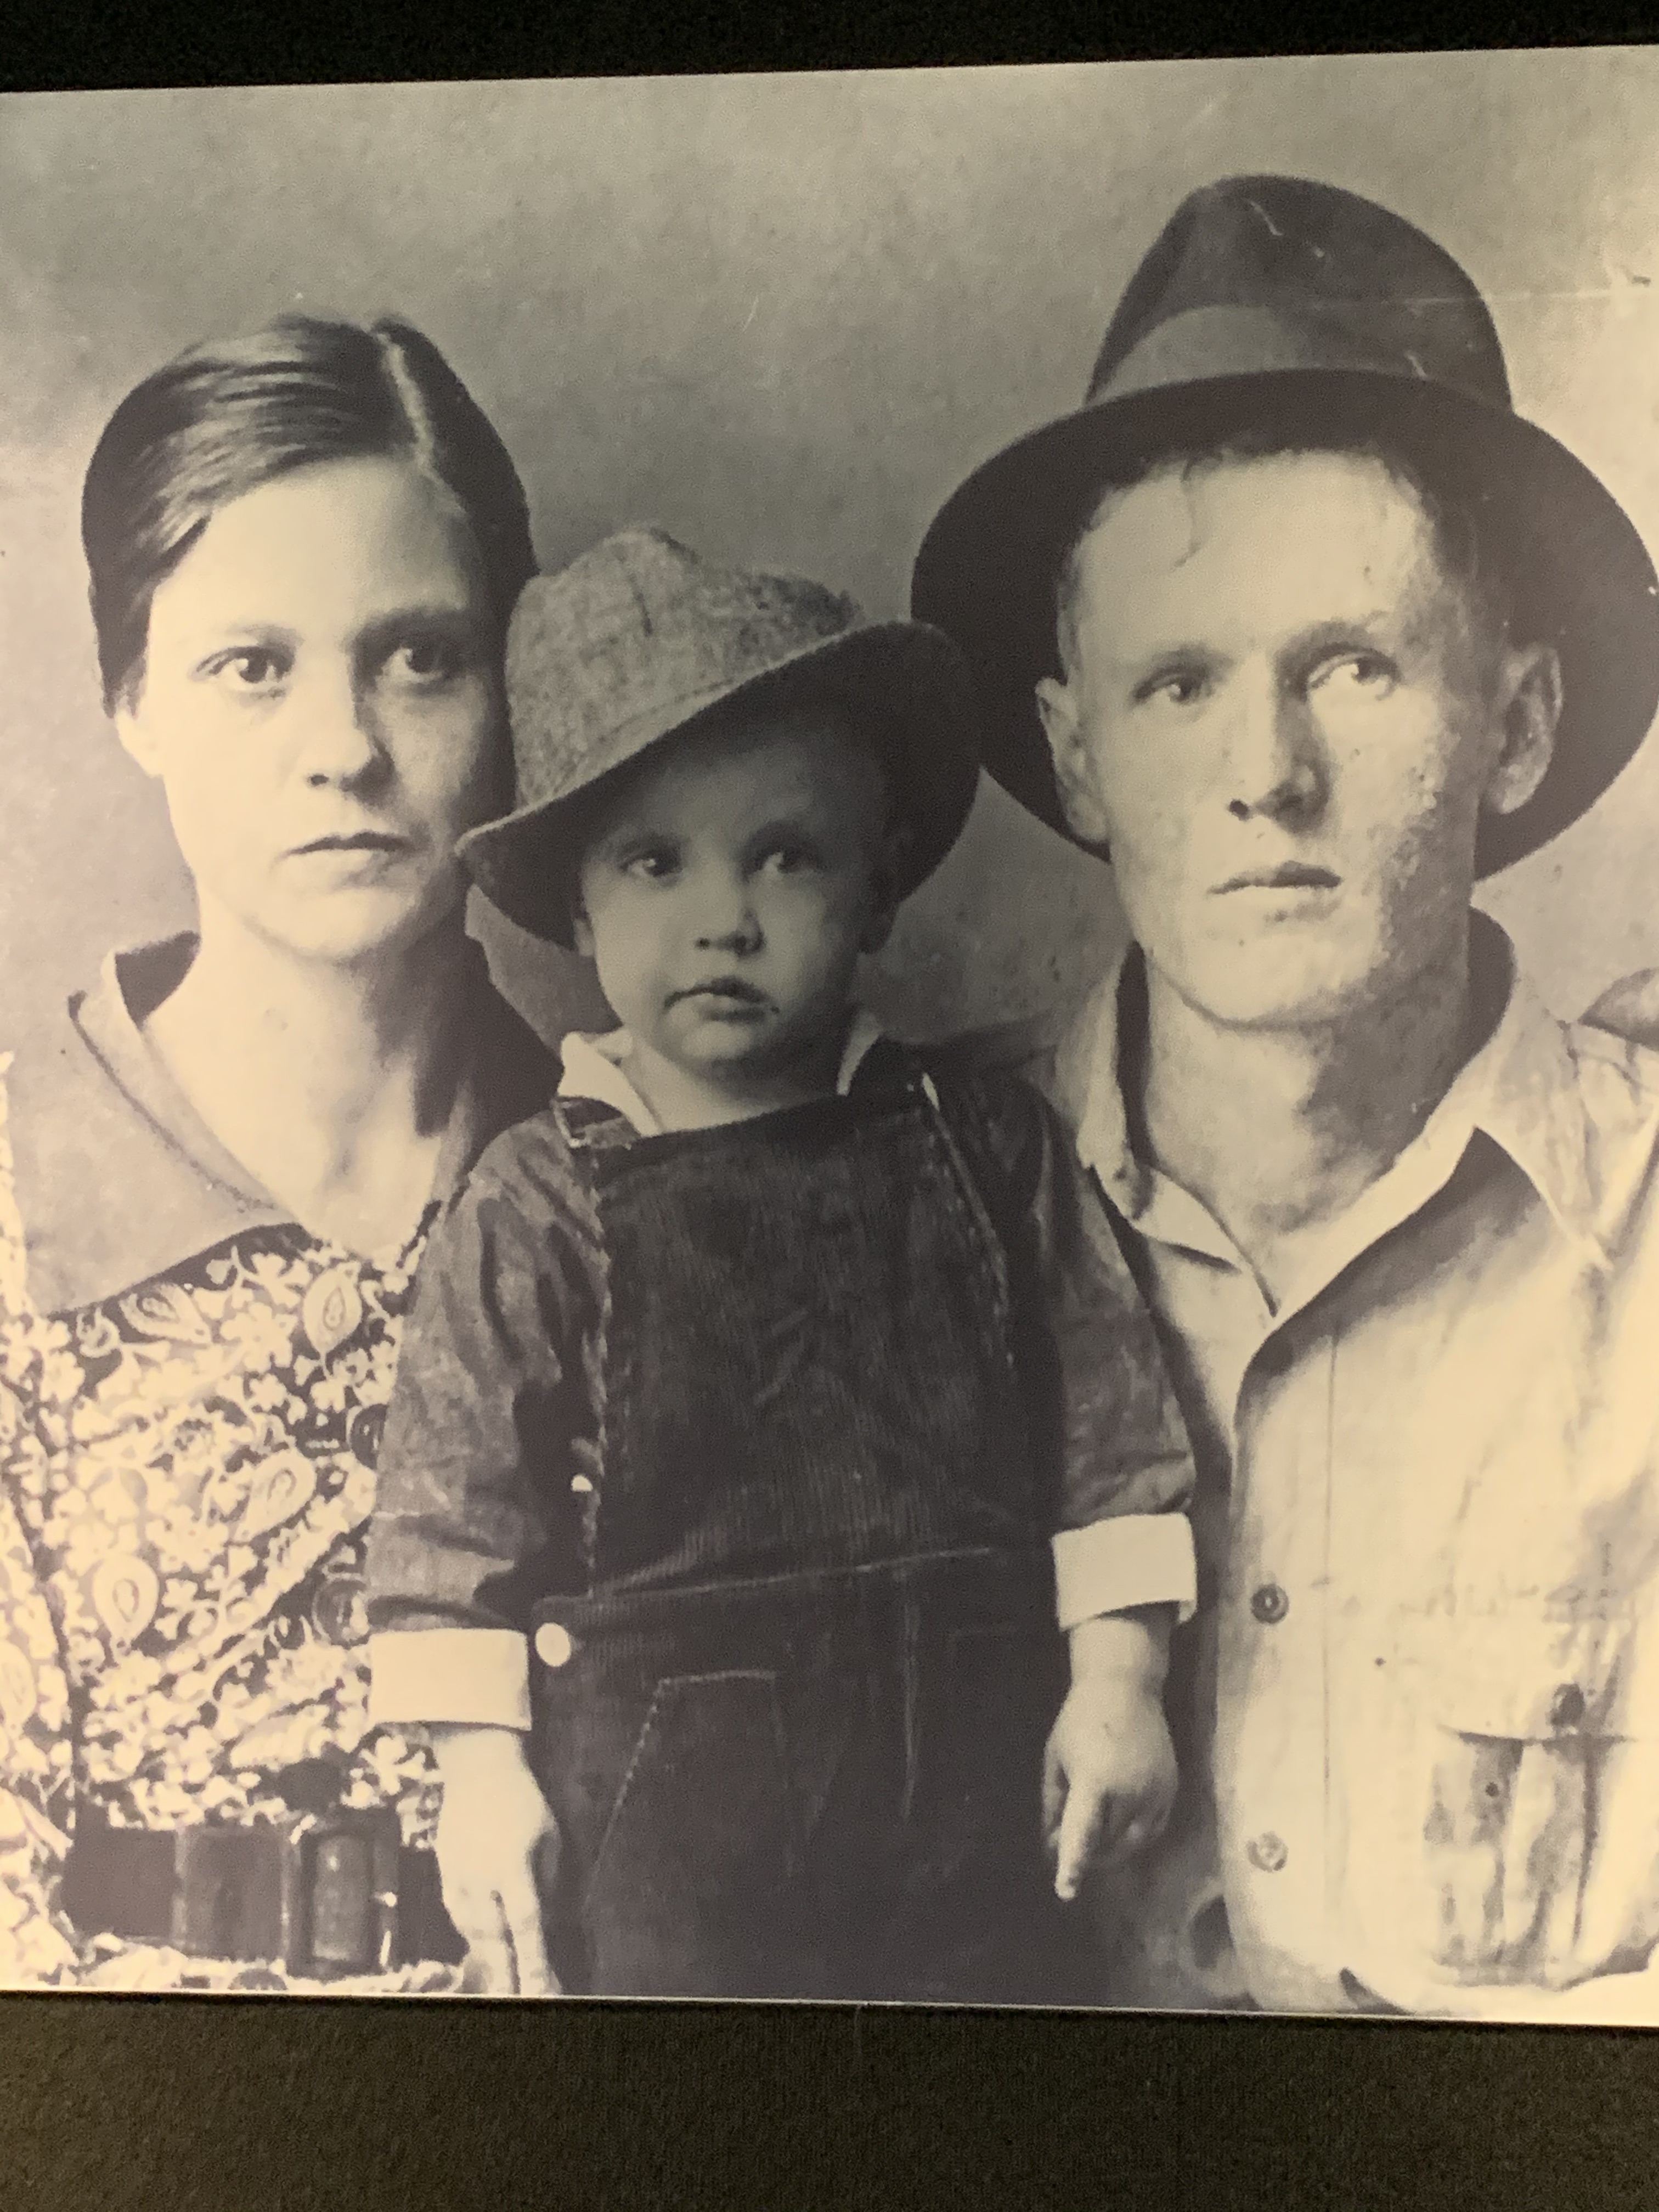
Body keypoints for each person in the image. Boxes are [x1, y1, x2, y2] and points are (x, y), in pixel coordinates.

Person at [911, 174, 1659, 2021]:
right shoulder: (906, 1223)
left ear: (1515, 724)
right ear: (1078, 757)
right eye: (1180, 685)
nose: (1269, 772)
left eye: (1351, 665)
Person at [364, 526, 1197, 2000]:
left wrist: (1120, 1680)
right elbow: (452, 1528)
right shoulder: (540, 1199)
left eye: (787, 856)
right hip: (675, 1863)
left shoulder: (985, 1147)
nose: (724, 919)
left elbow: (1114, 1444)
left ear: (879, 893)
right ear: (580, 908)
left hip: (974, 1834)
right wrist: (480, 1777)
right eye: (655, 862)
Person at [0, 314, 559, 1989]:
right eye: (253, 666)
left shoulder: (629, 1183)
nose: (347, 747)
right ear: (133, 701)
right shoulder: (20, 1201)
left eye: (423, 657)